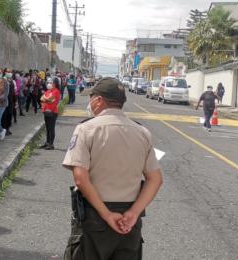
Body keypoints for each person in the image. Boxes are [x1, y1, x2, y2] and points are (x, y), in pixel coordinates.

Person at [62, 77, 163, 260]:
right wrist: (133, 213)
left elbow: (80, 177)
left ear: (98, 100)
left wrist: (107, 215)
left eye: (91, 98)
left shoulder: (86, 129)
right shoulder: (142, 132)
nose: (90, 103)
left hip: (94, 215)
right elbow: (155, 179)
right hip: (129, 220)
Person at [40, 78, 61, 150]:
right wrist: (46, 99)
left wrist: (46, 98)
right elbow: (42, 98)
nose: (49, 84)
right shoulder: (48, 91)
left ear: (55, 84)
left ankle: (51, 144)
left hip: (52, 112)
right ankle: (47, 142)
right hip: (46, 111)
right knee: (47, 128)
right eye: (48, 82)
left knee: (51, 128)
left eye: (51, 82)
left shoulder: (56, 91)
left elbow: (50, 100)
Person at [1, 68, 16, 136]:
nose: (9, 73)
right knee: (4, 115)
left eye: (10, 72)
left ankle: (7, 128)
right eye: (8, 71)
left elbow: (14, 92)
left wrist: (15, 101)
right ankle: (3, 129)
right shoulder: (2, 80)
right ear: (5, 72)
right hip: (4, 101)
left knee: (10, 115)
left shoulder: (12, 81)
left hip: (11, 101)